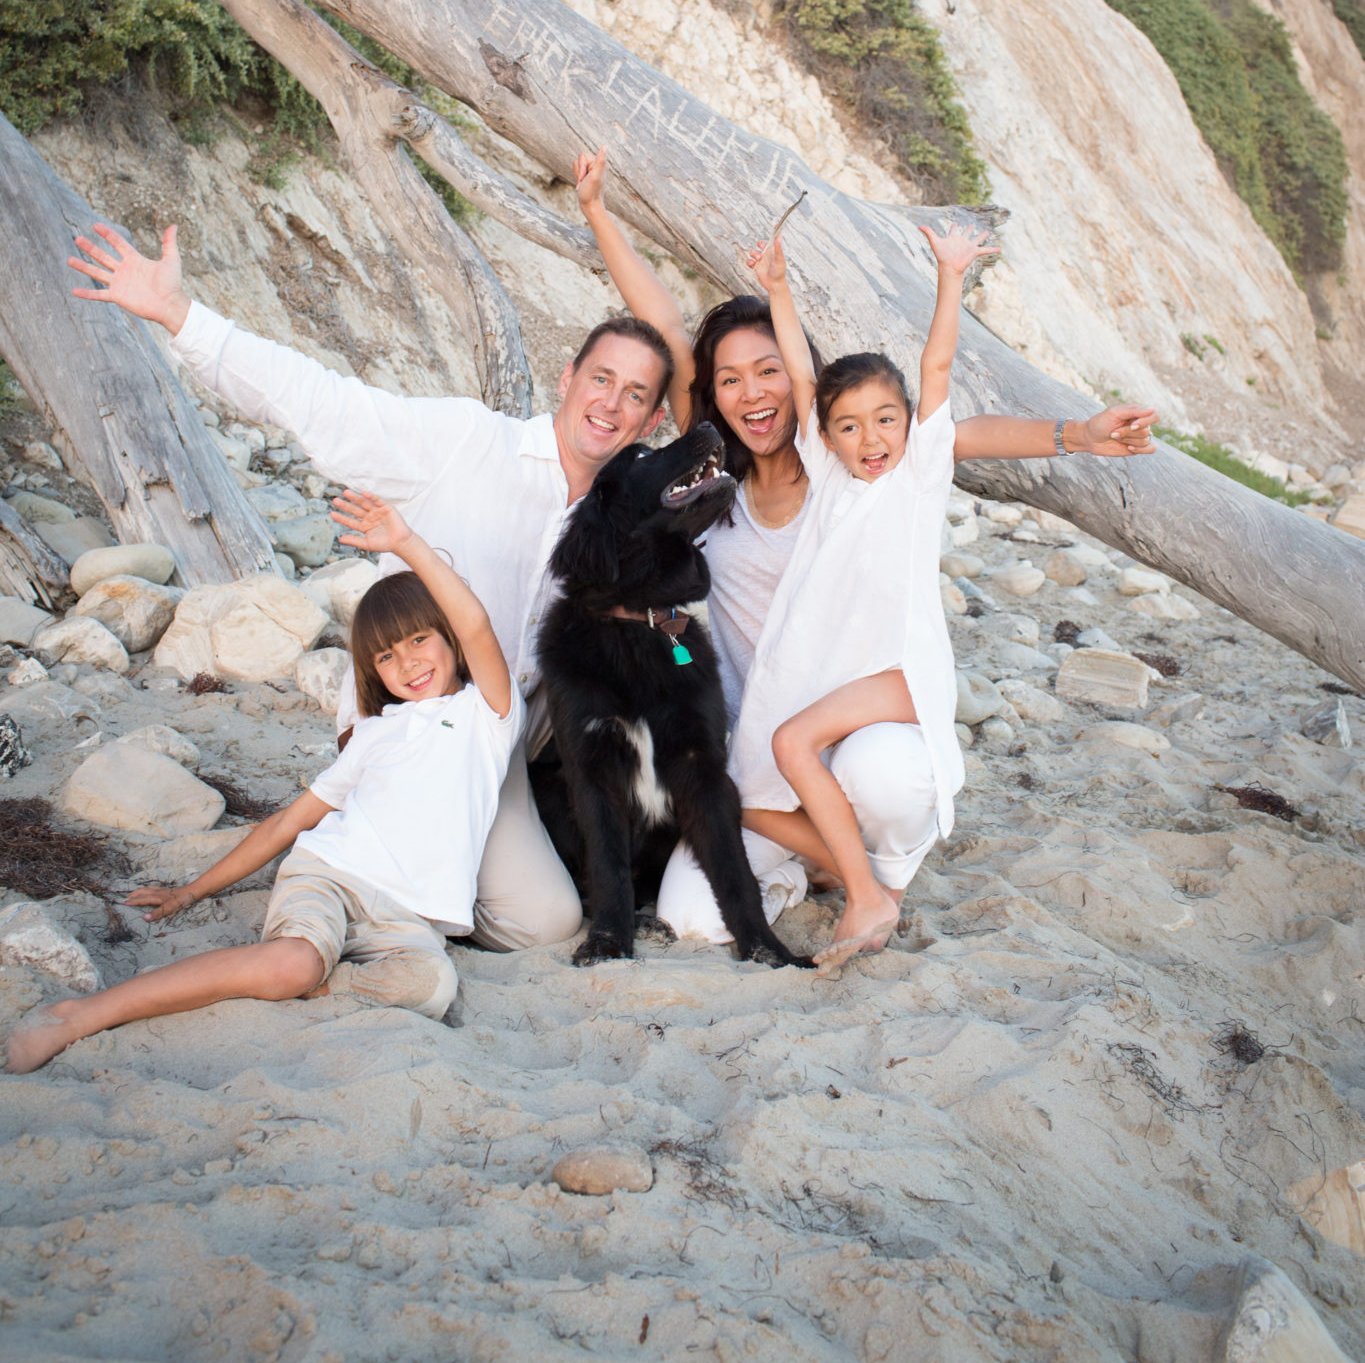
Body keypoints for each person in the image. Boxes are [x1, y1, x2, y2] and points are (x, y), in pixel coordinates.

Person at [572, 148, 1157, 943]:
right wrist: (599, 212)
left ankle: (869, 866)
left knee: (881, 776)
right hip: (763, 740)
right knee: (690, 918)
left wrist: (1077, 434)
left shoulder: (848, 463)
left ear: (799, 375)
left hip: (856, 726)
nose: (752, 393)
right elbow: (670, 333)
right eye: (731, 379)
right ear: (710, 394)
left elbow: (957, 434)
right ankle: (827, 868)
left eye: (768, 370)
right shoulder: (713, 491)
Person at [68, 221, 676, 953]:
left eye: (635, 395)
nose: (610, 404)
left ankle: (422, 877)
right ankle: (359, 858)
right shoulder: (464, 443)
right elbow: (322, 403)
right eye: (601, 379)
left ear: (654, 418)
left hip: (494, 747)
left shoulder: (624, 523)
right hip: (402, 725)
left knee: (541, 924)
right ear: (567, 379)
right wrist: (181, 316)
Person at [8, 492, 518, 1073]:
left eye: (419, 641)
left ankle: (327, 981)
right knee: (294, 965)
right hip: (332, 876)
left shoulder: (487, 714)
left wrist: (405, 544)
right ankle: (86, 1012)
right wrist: (191, 891)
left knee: (431, 986)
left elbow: (474, 620)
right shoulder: (376, 734)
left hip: (408, 920)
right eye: (385, 656)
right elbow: (288, 823)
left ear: (448, 639)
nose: (407, 664)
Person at [731, 219, 993, 966]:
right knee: (746, 795)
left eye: (884, 420)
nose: (869, 438)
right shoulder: (832, 476)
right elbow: (802, 377)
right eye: (848, 426)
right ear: (827, 435)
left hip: (902, 672)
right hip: (840, 672)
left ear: (908, 423)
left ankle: (866, 894)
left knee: (790, 743)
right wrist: (776, 286)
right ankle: (868, 878)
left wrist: (950, 277)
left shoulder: (917, 473)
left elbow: (935, 365)